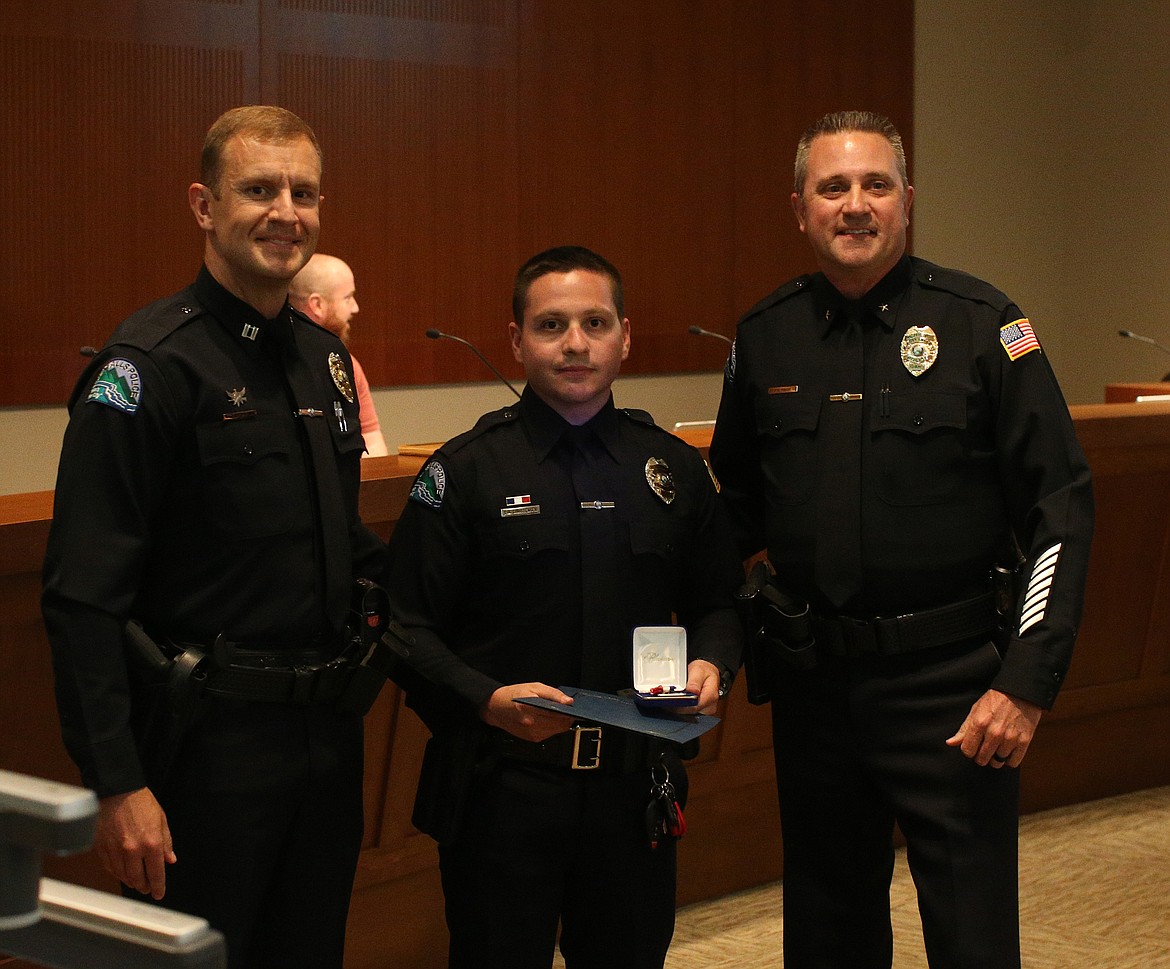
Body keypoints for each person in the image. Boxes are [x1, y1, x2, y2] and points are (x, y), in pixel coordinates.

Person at [709, 111, 1094, 969]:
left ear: (908, 202)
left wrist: (1026, 684)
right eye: (833, 187)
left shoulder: (982, 322)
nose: (855, 205)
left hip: (953, 690)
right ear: (800, 208)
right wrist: (707, 642)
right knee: (826, 929)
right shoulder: (765, 334)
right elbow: (733, 513)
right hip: (815, 689)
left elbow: (1060, 506)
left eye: (876, 185)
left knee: (972, 934)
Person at [41, 105, 387, 969]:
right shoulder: (149, 367)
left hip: (324, 741)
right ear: (203, 205)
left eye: (304, 192)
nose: (286, 212)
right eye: (258, 189)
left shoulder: (324, 359)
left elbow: (340, 545)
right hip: (203, 753)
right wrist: (117, 783)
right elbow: (82, 596)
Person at [383, 245, 743, 969]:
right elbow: (403, 626)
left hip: (635, 788)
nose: (575, 343)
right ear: (516, 340)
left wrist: (711, 660)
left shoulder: (670, 467)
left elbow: (720, 599)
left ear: (625, 335)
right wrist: (483, 698)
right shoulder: (465, 471)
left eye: (594, 322)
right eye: (551, 325)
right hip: (506, 789)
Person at [289, 252, 390, 456]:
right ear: (317, 304)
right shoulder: (281, 362)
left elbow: (372, 441)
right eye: (348, 298)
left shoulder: (347, 365)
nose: (355, 308)